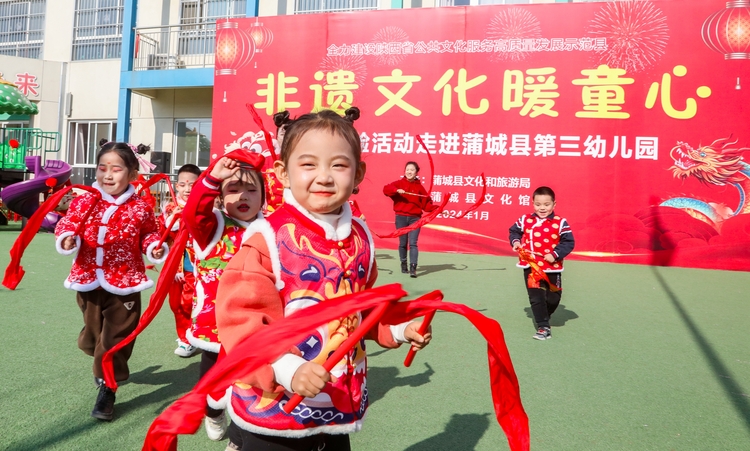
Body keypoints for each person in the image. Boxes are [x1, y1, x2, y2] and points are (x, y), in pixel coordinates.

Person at [214, 108, 432, 451]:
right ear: (283, 173)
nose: (325, 177)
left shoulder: (360, 237)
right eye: (309, 164)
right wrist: (287, 368)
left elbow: (361, 311)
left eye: (339, 165)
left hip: (335, 404)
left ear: (358, 172)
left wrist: (398, 330)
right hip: (276, 411)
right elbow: (240, 325)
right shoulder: (267, 239)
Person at [54, 142, 168, 421]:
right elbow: (66, 225)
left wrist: (155, 246)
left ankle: (108, 388)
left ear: (131, 175)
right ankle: (98, 359)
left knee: (114, 340)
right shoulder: (84, 200)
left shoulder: (140, 207)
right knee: (90, 341)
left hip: (126, 283)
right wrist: (68, 238)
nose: (108, 175)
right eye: (102, 168)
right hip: (89, 280)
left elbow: (149, 235)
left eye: (116, 169)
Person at [182, 153, 266, 443]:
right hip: (215, 329)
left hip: (257, 328)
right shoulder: (213, 227)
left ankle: (240, 435)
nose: (243, 196)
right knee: (212, 387)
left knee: (254, 388)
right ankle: (213, 413)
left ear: (263, 197)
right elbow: (194, 211)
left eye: (252, 190)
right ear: (219, 197)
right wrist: (211, 179)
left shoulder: (272, 230)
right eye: (233, 189)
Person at [509, 186, 574, 341]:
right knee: (536, 297)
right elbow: (514, 231)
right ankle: (543, 326)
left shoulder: (561, 222)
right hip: (531, 266)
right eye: (538, 204)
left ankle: (545, 314)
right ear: (533, 203)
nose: (542, 208)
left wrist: (555, 254)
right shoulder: (525, 219)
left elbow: (568, 242)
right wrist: (516, 242)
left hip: (552, 267)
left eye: (546, 204)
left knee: (554, 298)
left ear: (554, 204)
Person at [162, 164, 202, 357]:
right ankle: (185, 336)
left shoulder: (205, 207)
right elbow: (164, 235)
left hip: (197, 265)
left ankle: (191, 337)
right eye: (184, 185)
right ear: (177, 186)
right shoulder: (169, 207)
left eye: (192, 185)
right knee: (176, 304)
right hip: (176, 265)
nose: (187, 189)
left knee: (192, 302)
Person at [383, 161, 436, 278]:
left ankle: (413, 267)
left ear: (416, 172)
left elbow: (427, 205)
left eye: (412, 170)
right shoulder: (399, 183)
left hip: (415, 219)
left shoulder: (420, 188)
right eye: (407, 169)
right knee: (403, 243)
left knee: (413, 243)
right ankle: (403, 264)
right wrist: (396, 190)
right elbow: (386, 189)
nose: (409, 172)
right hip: (401, 217)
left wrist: (438, 209)